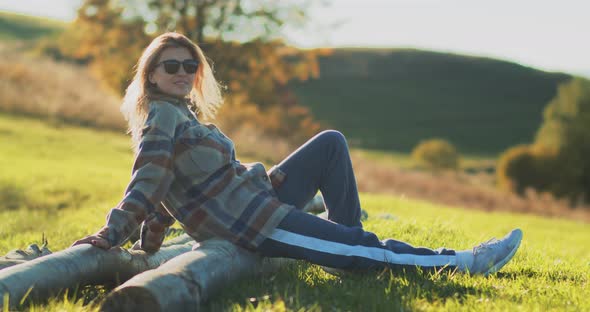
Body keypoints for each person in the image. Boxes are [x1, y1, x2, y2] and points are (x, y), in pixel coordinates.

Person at [72, 32, 522, 276]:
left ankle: (347, 242)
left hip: (257, 199)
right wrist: (114, 235)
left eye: (191, 66)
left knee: (330, 143)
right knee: (360, 246)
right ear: (149, 74)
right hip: (249, 223)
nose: (184, 72)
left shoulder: (182, 116)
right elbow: (148, 184)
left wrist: (148, 244)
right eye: (171, 65)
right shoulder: (162, 119)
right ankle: (462, 262)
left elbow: (171, 188)